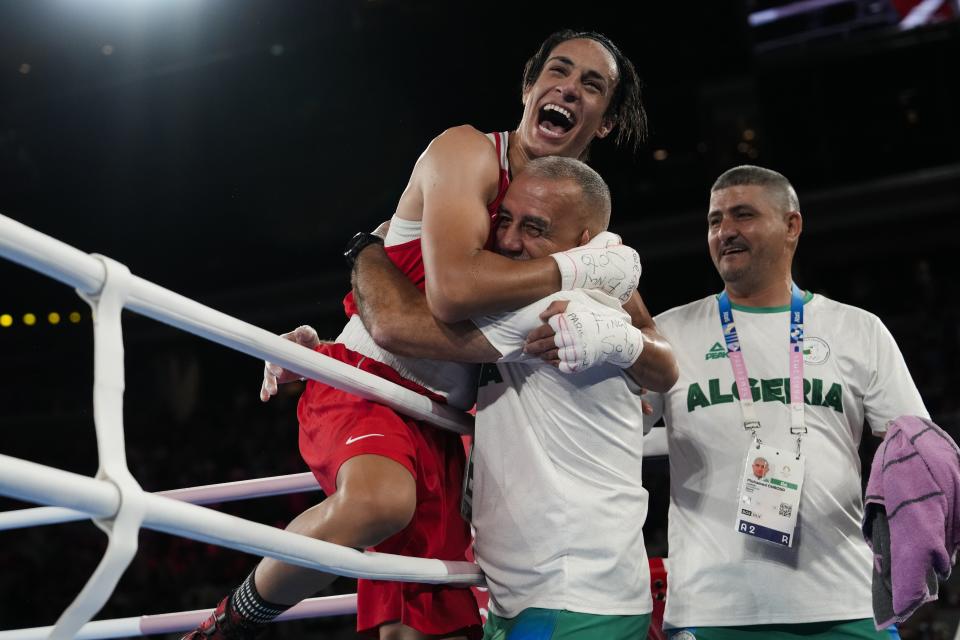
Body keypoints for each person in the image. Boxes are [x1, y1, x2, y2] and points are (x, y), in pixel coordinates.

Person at [183, 29, 661, 640]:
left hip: (445, 430)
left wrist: (629, 354)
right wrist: (576, 270)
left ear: (607, 122)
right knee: (378, 505)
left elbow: (649, 341)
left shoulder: (572, 217)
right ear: (529, 86)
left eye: (591, 84)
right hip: (370, 386)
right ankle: (225, 626)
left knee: (419, 630)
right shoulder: (467, 154)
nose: (569, 87)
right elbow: (451, 292)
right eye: (559, 71)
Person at [564, 165, 926, 639]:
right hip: (712, 610)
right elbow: (609, 430)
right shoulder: (669, 334)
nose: (725, 232)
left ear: (792, 226)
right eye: (715, 221)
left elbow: (915, 455)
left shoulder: (858, 329)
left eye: (743, 215)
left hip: (844, 601)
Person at [350, 155, 678, 639]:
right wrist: (322, 350)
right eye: (504, 219)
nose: (507, 240)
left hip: (570, 600)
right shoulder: (561, 305)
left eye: (534, 228)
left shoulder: (553, 307)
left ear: (583, 247)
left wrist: (365, 248)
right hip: (537, 597)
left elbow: (393, 325)